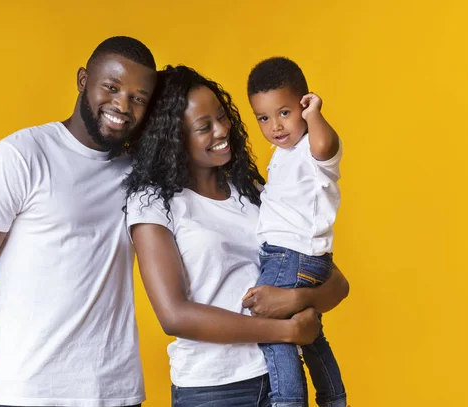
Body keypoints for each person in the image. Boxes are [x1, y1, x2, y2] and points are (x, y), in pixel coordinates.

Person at [0, 36, 157, 407]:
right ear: (83, 79)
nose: (122, 105)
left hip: (117, 392)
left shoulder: (138, 172)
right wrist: (30, 327)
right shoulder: (19, 157)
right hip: (32, 392)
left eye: (138, 98)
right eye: (112, 87)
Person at [125, 65, 349, 407]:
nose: (222, 130)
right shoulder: (154, 204)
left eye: (222, 116)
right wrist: (286, 331)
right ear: (173, 138)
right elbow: (174, 315)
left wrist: (294, 302)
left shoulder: (254, 191)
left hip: (280, 377)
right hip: (215, 389)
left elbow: (336, 284)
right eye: (204, 127)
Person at [245, 56, 346, 407]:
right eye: (263, 117)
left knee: (271, 329)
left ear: (303, 104)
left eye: (284, 112)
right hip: (299, 256)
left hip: (291, 255)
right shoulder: (283, 152)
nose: (275, 125)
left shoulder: (310, 146)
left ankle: (287, 401)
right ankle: (333, 397)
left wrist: (314, 113)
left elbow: (325, 148)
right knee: (308, 332)